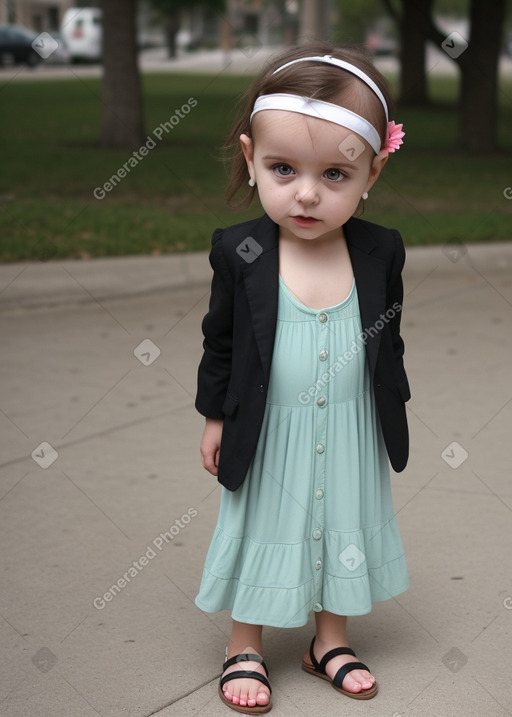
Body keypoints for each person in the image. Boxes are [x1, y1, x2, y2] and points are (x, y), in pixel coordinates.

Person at [194, 41, 411, 714]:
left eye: (335, 175)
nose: (307, 193)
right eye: (283, 168)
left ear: (372, 170)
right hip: (269, 425)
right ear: (250, 157)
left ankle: (330, 640)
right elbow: (220, 338)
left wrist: (389, 407)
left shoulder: (379, 250)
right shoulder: (243, 249)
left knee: (342, 518)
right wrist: (215, 414)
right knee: (265, 523)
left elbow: (390, 337)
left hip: (348, 424)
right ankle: (245, 640)